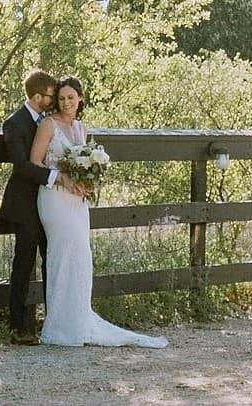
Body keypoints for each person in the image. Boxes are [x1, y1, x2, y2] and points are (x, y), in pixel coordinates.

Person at [32, 76, 169, 348]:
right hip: (55, 199)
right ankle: (59, 326)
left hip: (77, 201)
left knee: (81, 255)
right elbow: (34, 163)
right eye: (61, 98)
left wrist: (87, 182)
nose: (66, 103)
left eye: (71, 97)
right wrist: (62, 179)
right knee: (61, 255)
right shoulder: (48, 125)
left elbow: (84, 164)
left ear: (80, 98)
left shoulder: (82, 128)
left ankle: (77, 320)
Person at [0, 69, 69, 343]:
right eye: (50, 96)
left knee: (52, 262)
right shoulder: (14, 124)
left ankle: (55, 323)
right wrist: (56, 177)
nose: (53, 101)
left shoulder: (50, 120)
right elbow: (22, 166)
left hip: (51, 205)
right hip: (25, 204)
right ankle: (19, 327)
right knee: (24, 264)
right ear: (37, 96)